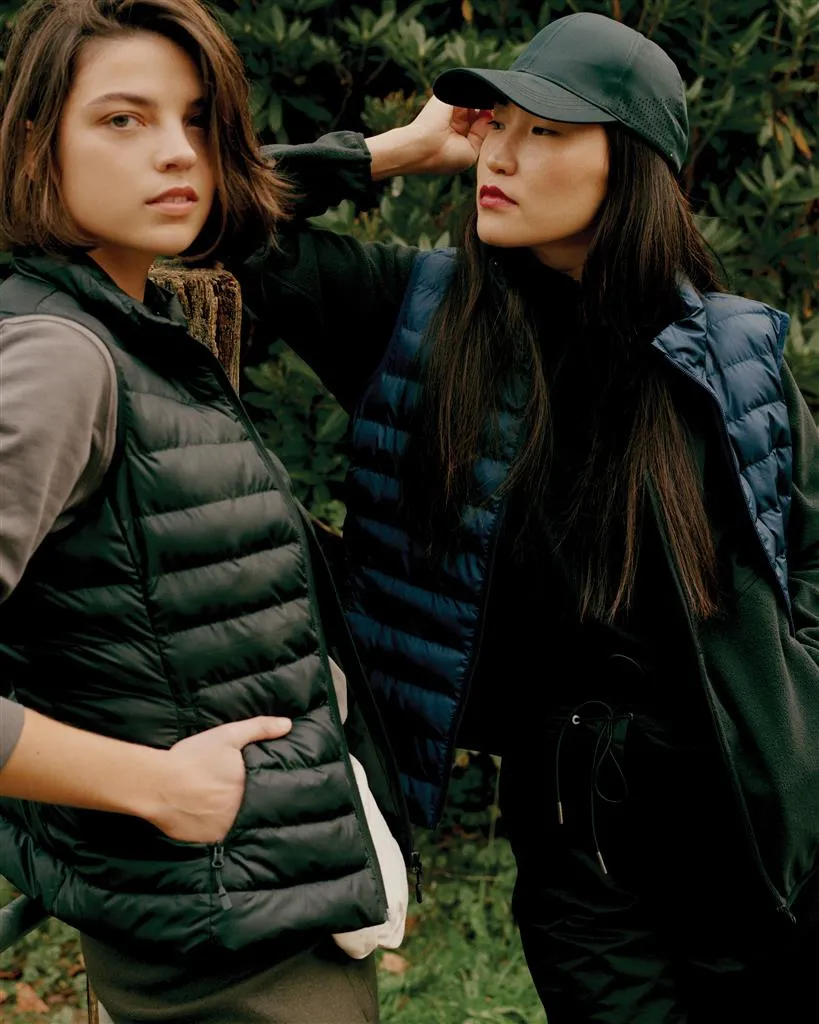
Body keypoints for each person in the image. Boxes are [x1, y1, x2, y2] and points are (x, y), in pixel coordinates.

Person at [232, 11, 819, 1022]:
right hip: (579, 839)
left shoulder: (731, 353)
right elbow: (198, 210)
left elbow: (806, 551)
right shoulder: (419, 318)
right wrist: (390, 151)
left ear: (631, 167)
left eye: (544, 132)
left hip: (760, 822)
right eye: (494, 126)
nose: (498, 157)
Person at [0, 1, 411, 1021]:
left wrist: (390, 152)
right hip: (224, 951)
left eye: (197, 120)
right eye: (123, 119)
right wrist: (149, 784)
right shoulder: (62, 359)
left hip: (245, 907)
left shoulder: (120, 322)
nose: (178, 152)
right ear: (35, 143)